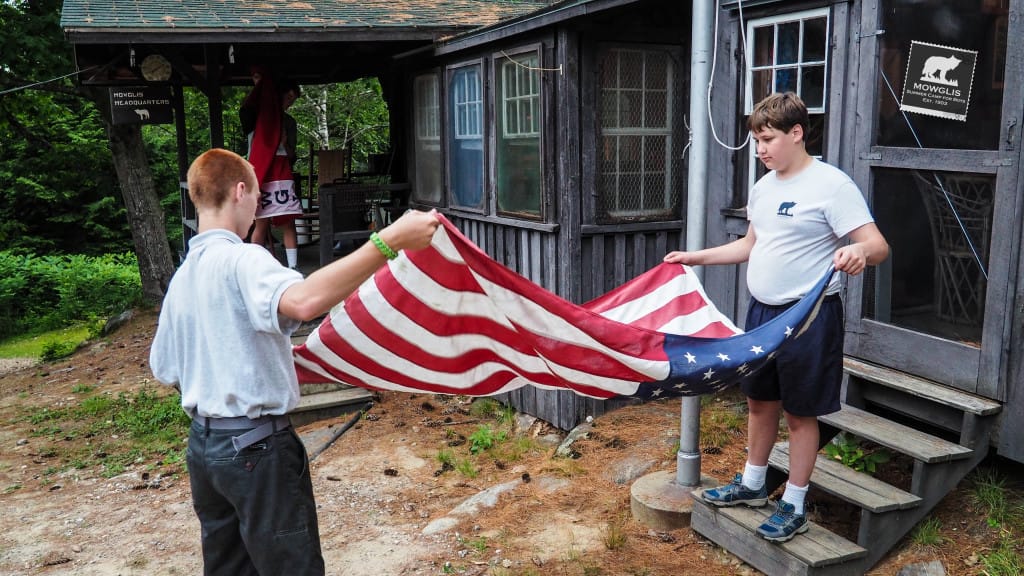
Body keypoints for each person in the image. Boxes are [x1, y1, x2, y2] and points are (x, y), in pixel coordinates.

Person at [149, 148, 439, 574]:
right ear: (241, 190)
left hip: (205, 450)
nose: (257, 210)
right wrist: (389, 240)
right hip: (255, 448)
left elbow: (165, 368)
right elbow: (304, 301)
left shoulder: (184, 276)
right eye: (258, 198)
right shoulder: (244, 258)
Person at [664, 92, 889, 542]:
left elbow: (879, 245)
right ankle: (751, 485)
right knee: (758, 401)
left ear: (797, 133)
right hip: (761, 315)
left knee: (801, 413)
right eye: (756, 141)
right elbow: (750, 245)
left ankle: (795, 503)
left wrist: (858, 250)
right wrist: (694, 257)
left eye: (767, 139)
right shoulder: (764, 186)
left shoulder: (832, 185)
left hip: (809, 316)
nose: (761, 150)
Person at [240, 68, 304, 268]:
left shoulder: (288, 122)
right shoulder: (256, 116)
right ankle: (256, 268)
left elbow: (292, 155)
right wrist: (260, 85)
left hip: (280, 172)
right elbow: (247, 110)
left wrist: (284, 144)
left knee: (287, 222)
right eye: (289, 97)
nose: (289, 103)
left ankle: (293, 267)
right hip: (262, 173)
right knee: (261, 224)